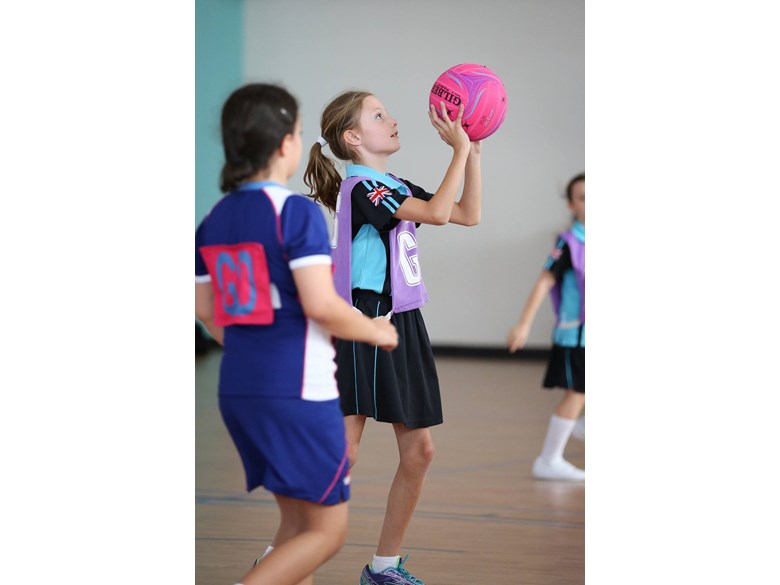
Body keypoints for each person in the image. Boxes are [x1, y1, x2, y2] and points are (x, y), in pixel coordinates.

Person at [195, 83, 398, 585]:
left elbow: (205, 312)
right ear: (285, 143)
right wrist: (376, 330)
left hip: (238, 388)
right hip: (296, 391)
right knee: (327, 532)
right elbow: (322, 305)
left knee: (296, 524)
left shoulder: (213, 220)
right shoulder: (295, 211)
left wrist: (254, 344)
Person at [298, 90, 481, 585]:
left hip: (402, 318)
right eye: (379, 115)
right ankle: (280, 554)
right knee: (343, 452)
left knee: (419, 452)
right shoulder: (362, 187)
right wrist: (457, 151)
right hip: (364, 317)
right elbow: (441, 213)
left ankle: (382, 568)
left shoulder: (391, 183)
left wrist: (474, 153)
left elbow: (465, 213)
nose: (393, 120)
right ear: (352, 138)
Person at [506, 172, 585, 481]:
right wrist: (523, 324)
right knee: (577, 393)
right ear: (570, 205)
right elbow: (544, 282)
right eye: (583, 197)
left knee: (580, 394)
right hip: (577, 335)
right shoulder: (568, 244)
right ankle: (549, 460)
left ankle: (578, 424)